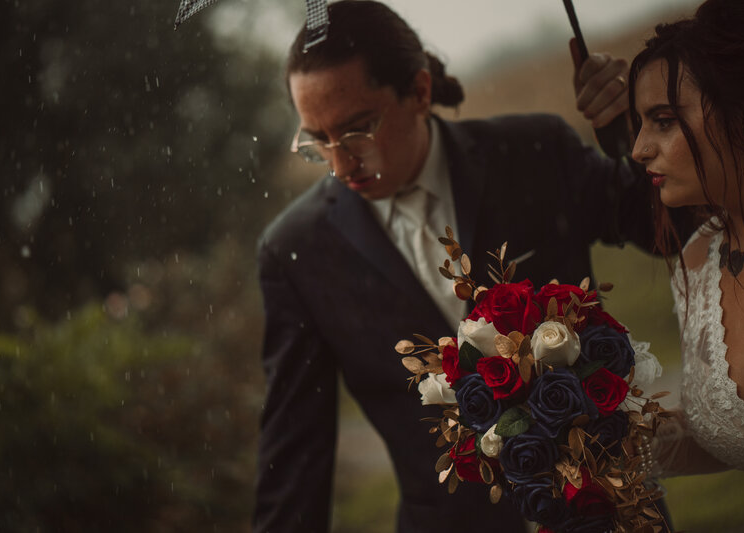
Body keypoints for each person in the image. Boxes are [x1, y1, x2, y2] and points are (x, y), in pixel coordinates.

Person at [253, 1, 675, 531]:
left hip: (608, 510)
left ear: (420, 91)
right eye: (318, 140)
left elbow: (670, 230)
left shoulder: (533, 153)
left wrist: (639, 124)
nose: (340, 165)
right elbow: (294, 452)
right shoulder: (296, 250)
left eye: (358, 129)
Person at [629, 0, 744, 477]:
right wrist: (589, 439)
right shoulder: (700, 256)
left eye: (663, 121)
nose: (638, 149)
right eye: (641, 123)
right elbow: (734, 436)